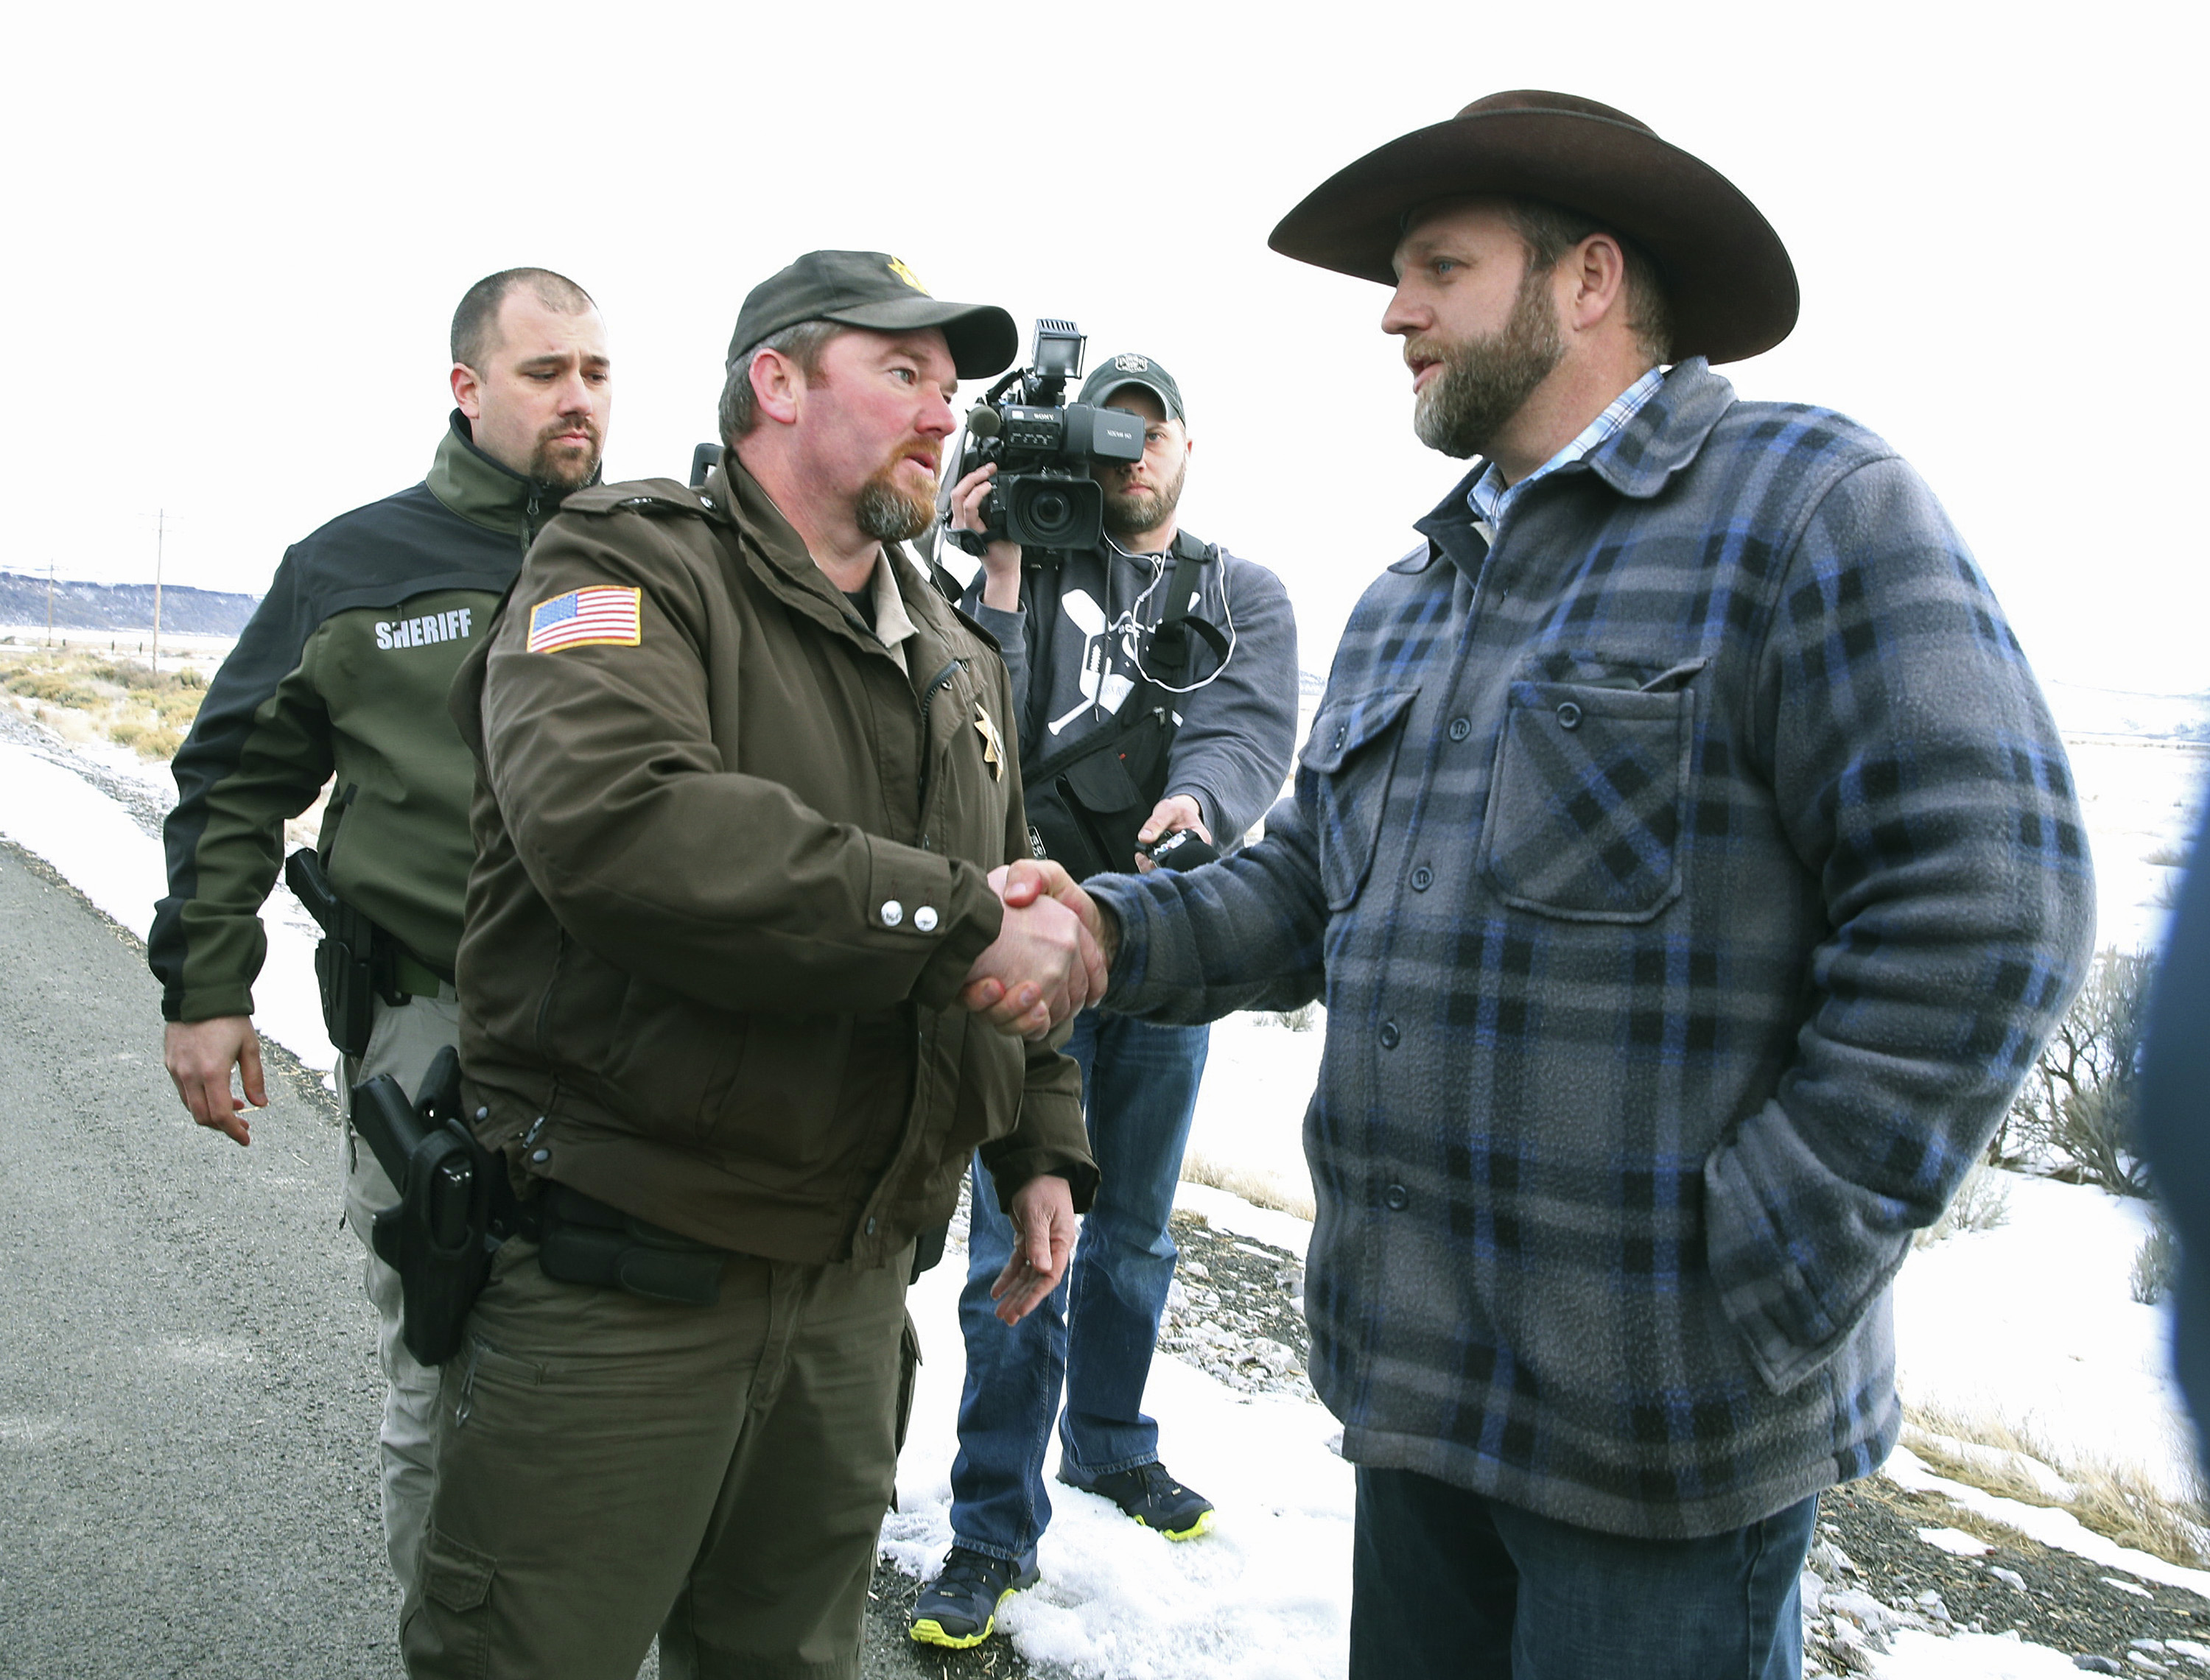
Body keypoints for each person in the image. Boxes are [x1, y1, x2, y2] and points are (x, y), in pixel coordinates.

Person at [980, 91, 2096, 1679]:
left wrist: (1774, 1258)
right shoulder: (1411, 597)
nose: (1394, 311)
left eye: (1439, 266)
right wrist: (1100, 925)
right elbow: (1301, 889)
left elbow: (1996, 897)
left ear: (1587, 279)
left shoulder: (1803, 506)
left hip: (1662, 1430)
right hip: (1422, 1400)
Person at [402, 250, 1105, 1680]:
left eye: (950, 386)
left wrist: (1041, 1141)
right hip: (629, 1288)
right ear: (774, 384)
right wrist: (962, 917)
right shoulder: (618, 565)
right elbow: (624, 825)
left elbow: (1013, 881)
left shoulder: (955, 650)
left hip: (852, 1298)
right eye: (902, 373)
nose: (942, 414)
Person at [151, 267, 611, 1603]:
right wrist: (204, 988)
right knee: (448, 1375)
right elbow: (233, 777)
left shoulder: (659, 550)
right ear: (467, 388)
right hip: (434, 1035)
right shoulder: (354, 565)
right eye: (544, 373)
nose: (578, 399)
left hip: (637, 1040)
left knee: (621, 1385)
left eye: (594, 371)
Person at [911, 356, 1298, 1647]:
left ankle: (1111, 1444)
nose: (1131, 452)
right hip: (1029, 947)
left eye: (1153, 428)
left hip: (1165, 944)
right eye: (1108, 428)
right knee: (1017, 1248)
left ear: (1189, 443)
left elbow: (1243, 735)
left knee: (1133, 1233)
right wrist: (1004, 570)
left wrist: (1202, 807)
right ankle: (989, 1526)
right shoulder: (1025, 558)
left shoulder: (1242, 592)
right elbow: (984, 733)